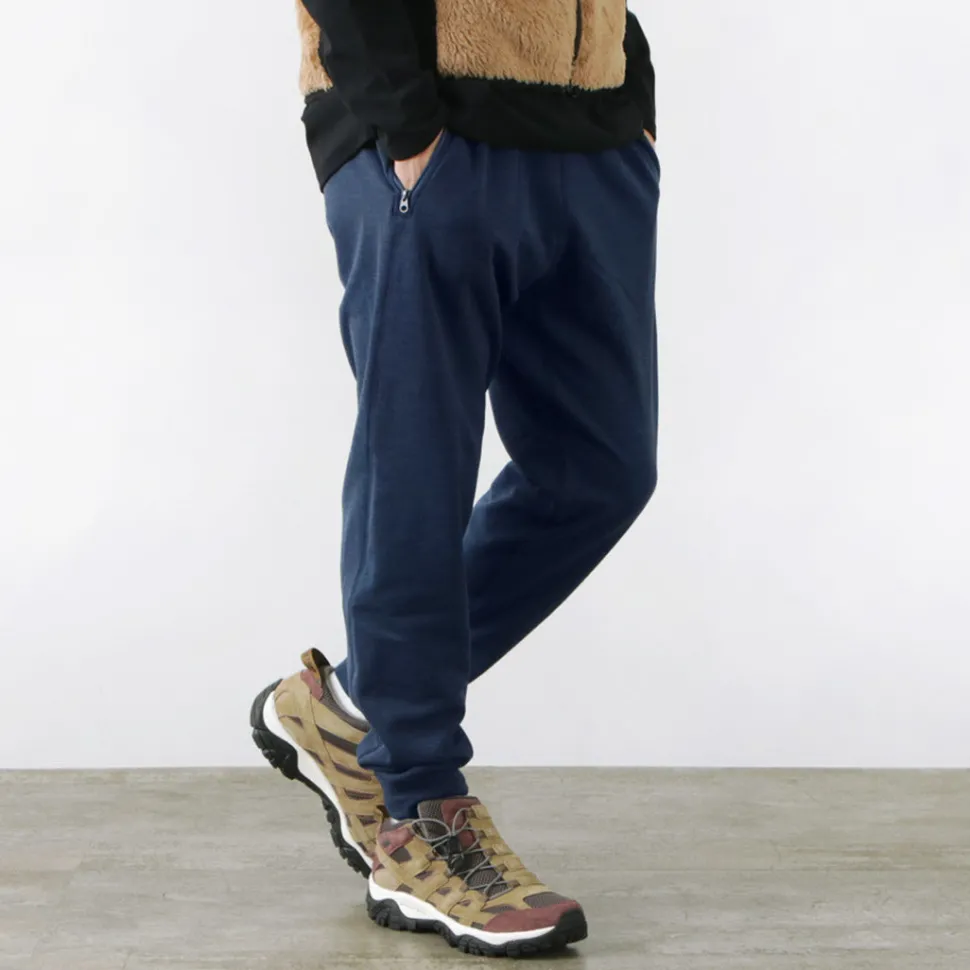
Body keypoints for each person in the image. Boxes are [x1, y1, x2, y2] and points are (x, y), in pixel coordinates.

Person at [251, 0, 659, 957]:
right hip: (432, 129)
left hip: (591, 134)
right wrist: (404, 119)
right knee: (417, 477)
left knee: (600, 469)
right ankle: (417, 811)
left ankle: (346, 707)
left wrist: (629, 93)